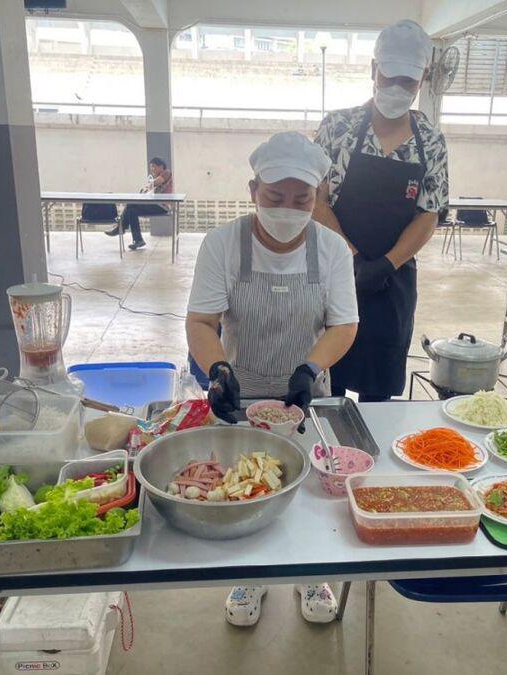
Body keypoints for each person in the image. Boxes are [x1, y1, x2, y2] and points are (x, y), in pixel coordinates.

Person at [186, 131, 358, 626]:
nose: (287, 209)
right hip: (240, 393)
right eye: (274, 196)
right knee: (246, 489)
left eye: (301, 199)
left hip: (305, 394)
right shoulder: (223, 244)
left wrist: (309, 369)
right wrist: (218, 370)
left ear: (317, 197)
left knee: (308, 495)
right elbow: (202, 322)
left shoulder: (332, 249)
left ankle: (310, 572)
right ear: (252, 191)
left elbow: (343, 325)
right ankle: (251, 573)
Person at [313, 20, 449, 402]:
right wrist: (353, 259)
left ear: (423, 78)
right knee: (327, 384)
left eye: (408, 81)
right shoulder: (338, 127)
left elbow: (428, 213)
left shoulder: (430, 141)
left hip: (392, 282)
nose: (397, 88)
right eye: (389, 77)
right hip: (335, 272)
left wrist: (386, 264)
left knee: (380, 390)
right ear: (373, 70)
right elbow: (316, 200)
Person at [106, 156, 173, 250]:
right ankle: (138, 240)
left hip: (163, 206)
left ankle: (120, 228)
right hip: (155, 205)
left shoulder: (167, 172)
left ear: (161, 166)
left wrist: (147, 187)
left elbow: (155, 183)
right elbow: (151, 187)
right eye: (151, 167)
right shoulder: (156, 177)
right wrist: (145, 189)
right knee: (131, 210)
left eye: (154, 167)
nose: (152, 169)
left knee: (131, 204)